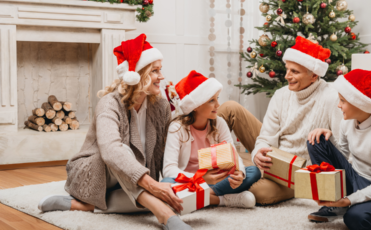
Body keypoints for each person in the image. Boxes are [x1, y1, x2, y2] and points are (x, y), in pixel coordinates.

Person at [38, 34, 193, 230]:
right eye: (155, 71)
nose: (161, 77)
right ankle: (164, 215)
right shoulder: (110, 103)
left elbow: (164, 153)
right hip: (97, 172)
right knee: (121, 152)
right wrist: (152, 186)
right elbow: (111, 150)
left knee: (150, 201)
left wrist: (187, 180)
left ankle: (81, 205)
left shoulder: (161, 106)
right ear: (137, 74)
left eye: (160, 70)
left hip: (131, 181)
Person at [217, 36, 343, 204]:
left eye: (295, 72)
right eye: (287, 69)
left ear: (313, 75)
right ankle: (208, 167)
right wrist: (257, 153)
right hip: (274, 155)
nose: (287, 76)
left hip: (301, 171)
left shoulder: (331, 97)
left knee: (260, 193)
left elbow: (342, 146)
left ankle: (233, 182)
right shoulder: (281, 95)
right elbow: (265, 137)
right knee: (229, 108)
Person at [306, 69, 371, 230]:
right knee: (317, 139)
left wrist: (348, 200)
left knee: (356, 219)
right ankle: (337, 204)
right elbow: (342, 157)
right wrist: (330, 138)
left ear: (361, 103)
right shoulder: (347, 122)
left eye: (343, 100)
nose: (338, 105)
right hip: (355, 176)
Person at [162, 70, 261, 209]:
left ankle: (202, 196)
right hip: (190, 180)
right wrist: (199, 178)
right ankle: (222, 200)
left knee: (253, 172)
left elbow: (233, 154)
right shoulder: (176, 128)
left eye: (217, 98)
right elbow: (168, 169)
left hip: (216, 180)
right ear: (196, 106)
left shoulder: (219, 123)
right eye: (212, 100)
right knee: (165, 183)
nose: (218, 105)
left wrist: (240, 173)